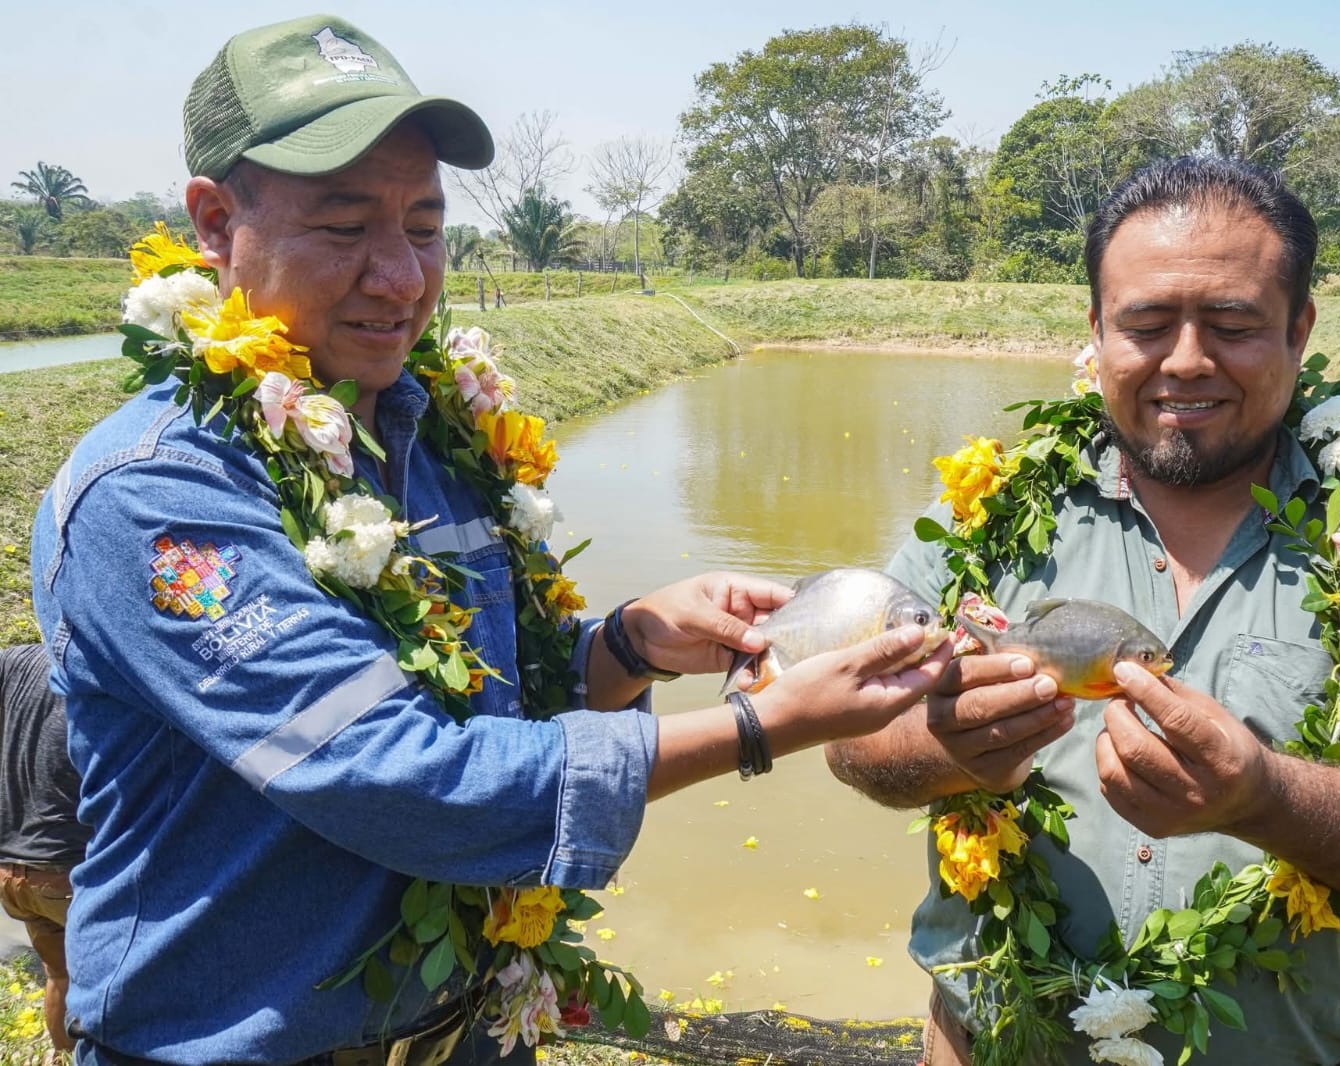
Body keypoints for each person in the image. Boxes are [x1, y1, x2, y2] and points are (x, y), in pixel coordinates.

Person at [29, 15, 948, 1065]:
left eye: (423, 226)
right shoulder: (160, 491)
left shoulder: (433, 434)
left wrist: (632, 643)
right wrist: (755, 729)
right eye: (344, 227)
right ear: (212, 219)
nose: (400, 277)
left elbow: (488, 690)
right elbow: (394, 774)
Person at [826, 157, 1340, 1065]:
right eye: (1146, 324)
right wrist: (940, 747)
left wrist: (1269, 799)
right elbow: (853, 744)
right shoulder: (986, 513)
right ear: (1096, 329)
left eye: (1233, 324)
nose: (1186, 360)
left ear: (1299, 328)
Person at [0, 642, 88, 1060]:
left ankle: (60, 1057)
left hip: (11, 872)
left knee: (60, 975)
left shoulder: (14, 661)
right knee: (119, 981)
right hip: (66, 871)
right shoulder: (92, 668)